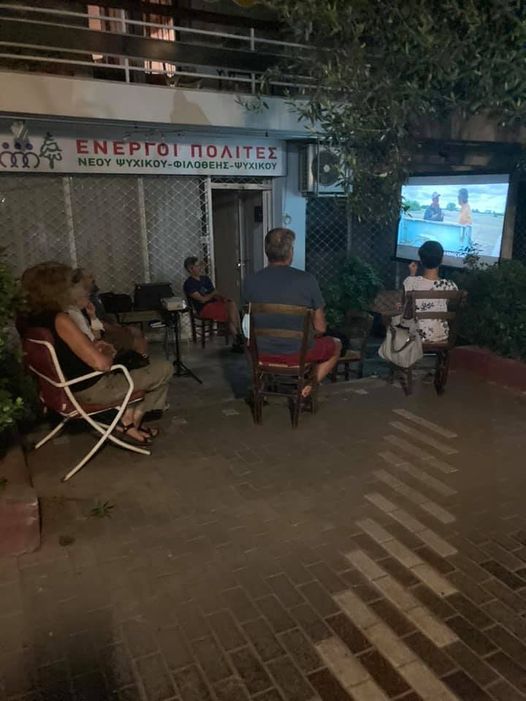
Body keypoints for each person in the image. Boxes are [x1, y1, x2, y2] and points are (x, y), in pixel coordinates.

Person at [21, 262, 172, 446]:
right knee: (164, 368)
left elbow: (64, 352)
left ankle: (127, 421)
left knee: (142, 371)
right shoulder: (60, 319)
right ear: (56, 289)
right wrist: (108, 352)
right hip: (91, 389)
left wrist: (93, 346)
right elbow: (103, 365)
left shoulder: (31, 320)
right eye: (67, 284)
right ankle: (131, 423)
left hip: (61, 389)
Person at [243, 228, 341, 397]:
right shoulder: (307, 280)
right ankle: (308, 386)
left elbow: (245, 324)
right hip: (297, 354)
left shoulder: (249, 281)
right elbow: (321, 328)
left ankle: (260, 384)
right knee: (337, 344)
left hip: (260, 353)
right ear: (290, 252)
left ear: (267, 252)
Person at [72, 268, 148, 357]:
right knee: (136, 340)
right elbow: (98, 327)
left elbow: (101, 318)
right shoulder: (81, 301)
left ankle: (139, 357)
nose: (93, 278)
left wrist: (117, 326)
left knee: (136, 332)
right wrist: (119, 329)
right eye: (89, 277)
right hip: (103, 333)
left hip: (102, 330)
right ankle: (140, 359)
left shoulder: (93, 296)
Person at [183, 257, 244, 352]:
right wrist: (213, 294)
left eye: (200, 265)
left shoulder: (205, 279)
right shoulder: (189, 284)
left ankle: (237, 338)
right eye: (197, 266)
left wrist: (222, 298)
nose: (200, 268)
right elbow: (202, 300)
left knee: (231, 303)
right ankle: (238, 337)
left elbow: (215, 294)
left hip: (214, 303)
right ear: (190, 269)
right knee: (230, 310)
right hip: (204, 308)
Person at [403, 241, 458, 344]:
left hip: (415, 336)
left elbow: (405, 307)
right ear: (441, 260)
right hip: (441, 336)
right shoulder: (450, 285)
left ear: (421, 260)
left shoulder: (411, 282)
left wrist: (412, 274)